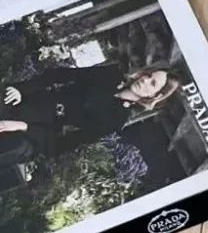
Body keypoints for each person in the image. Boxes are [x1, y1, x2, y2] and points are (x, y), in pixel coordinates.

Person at [0, 63, 180, 170]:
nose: (145, 80)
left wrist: (24, 127)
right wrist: (23, 89)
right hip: (35, 101)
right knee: (5, 97)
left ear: (156, 96)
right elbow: (60, 74)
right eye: (148, 75)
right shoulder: (110, 75)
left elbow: (61, 145)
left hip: (40, 131)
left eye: (152, 83)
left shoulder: (116, 119)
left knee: (15, 146)